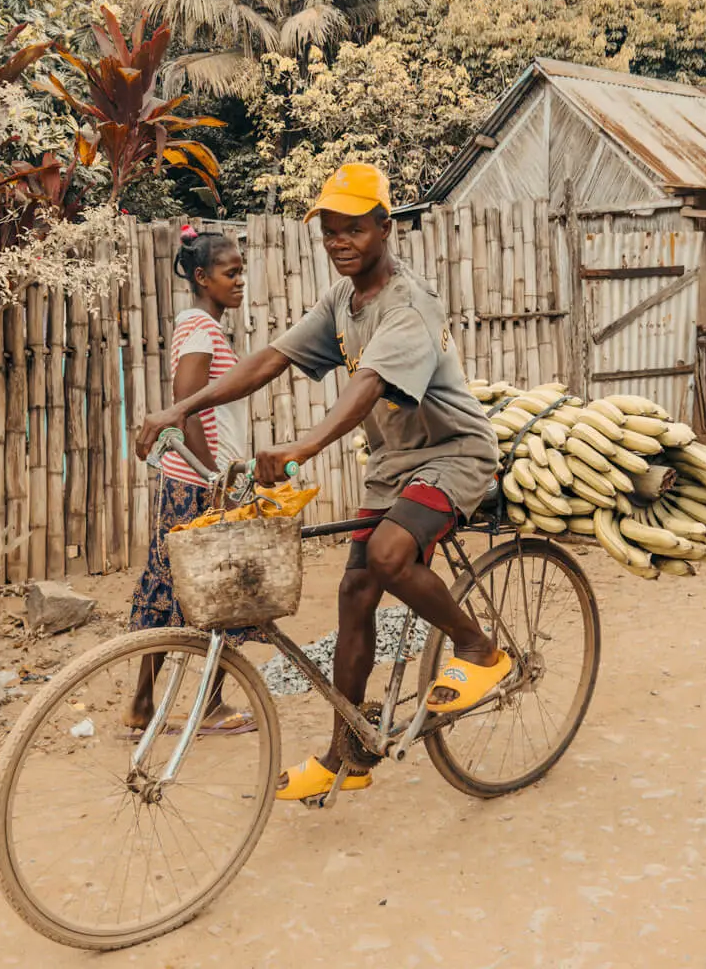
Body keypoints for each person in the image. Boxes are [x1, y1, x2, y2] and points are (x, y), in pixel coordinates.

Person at [137, 164, 510, 799]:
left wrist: (303, 446)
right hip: (394, 466)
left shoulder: (409, 304)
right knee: (355, 595)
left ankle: (479, 648)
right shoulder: (343, 302)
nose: (340, 242)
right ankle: (349, 754)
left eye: (354, 229)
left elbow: (366, 388)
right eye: (330, 232)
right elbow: (271, 359)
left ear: (385, 228)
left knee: (391, 555)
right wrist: (178, 409)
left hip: (454, 455)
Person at [127, 225, 265, 733]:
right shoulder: (201, 328)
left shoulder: (201, 326)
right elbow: (185, 410)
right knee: (218, 590)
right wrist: (214, 479)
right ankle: (208, 705)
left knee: (168, 586)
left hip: (188, 480)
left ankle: (143, 705)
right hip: (198, 483)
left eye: (241, 271)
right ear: (203, 277)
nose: (240, 280)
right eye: (231, 273)